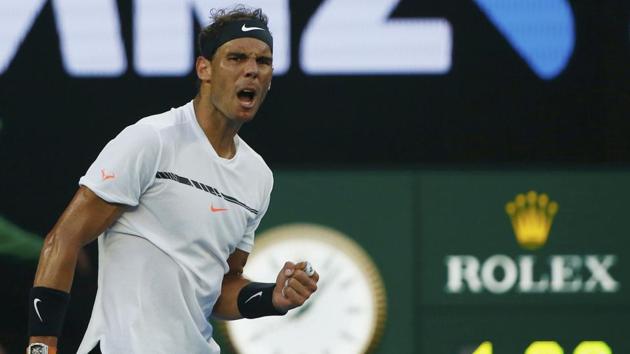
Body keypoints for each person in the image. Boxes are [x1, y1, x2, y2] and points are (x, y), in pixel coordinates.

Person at [26, 6, 319, 354]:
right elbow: (63, 239)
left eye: (263, 61)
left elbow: (220, 288)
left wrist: (272, 296)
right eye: (236, 58)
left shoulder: (257, 177)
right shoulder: (151, 139)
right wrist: (41, 346)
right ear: (204, 68)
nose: (252, 71)